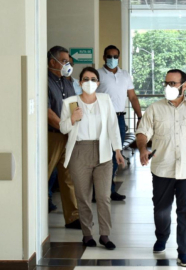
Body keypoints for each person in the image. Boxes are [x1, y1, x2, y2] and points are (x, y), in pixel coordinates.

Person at [136, 69, 186, 267]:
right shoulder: (154, 108)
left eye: (173, 83)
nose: (169, 87)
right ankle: (162, 236)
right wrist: (143, 148)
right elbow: (142, 132)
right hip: (163, 168)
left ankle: (185, 252)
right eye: (166, 83)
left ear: (185, 85)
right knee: (161, 210)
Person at [59, 67, 125, 249]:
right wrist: (72, 118)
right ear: (79, 83)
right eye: (85, 79)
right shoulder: (70, 102)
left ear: (98, 83)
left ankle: (105, 234)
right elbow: (63, 128)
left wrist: (117, 150)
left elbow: (113, 125)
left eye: (93, 79)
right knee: (83, 196)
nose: (89, 82)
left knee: (104, 196)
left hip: (103, 151)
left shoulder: (104, 100)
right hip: (79, 151)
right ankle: (87, 234)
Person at [97, 45, 143, 201]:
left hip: (120, 119)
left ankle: (109, 190)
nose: (112, 59)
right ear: (104, 57)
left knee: (116, 154)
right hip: (102, 118)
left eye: (115, 56)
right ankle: (98, 191)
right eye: (109, 56)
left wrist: (139, 116)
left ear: (119, 57)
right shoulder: (98, 74)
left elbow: (133, 97)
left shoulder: (125, 75)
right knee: (101, 155)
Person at [47, 45, 81, 229]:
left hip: (68, 136)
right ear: (53, 62)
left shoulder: (67, 82)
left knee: (68, 176)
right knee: (44, 174)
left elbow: (74, 108)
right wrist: (64, 127)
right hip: (51, 136)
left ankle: (73, 217)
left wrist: (73, 130)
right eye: (65, 61)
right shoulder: (44, 81)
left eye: (68, 61)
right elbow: (47, 112)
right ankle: (36, 213)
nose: (68, 64)